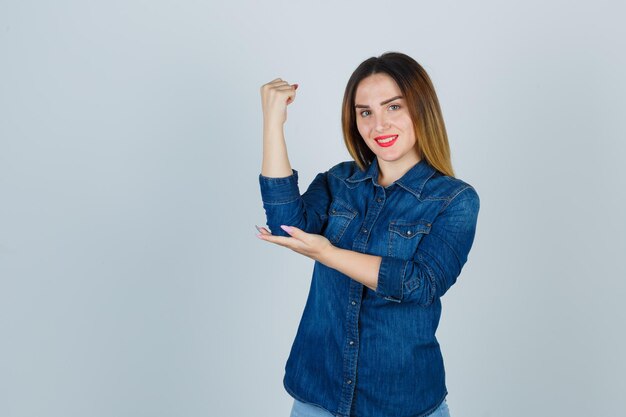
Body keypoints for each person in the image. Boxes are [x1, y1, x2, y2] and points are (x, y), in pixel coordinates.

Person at [256, 52, 480, 417]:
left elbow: (420, 284)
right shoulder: (339, 181)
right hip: (318, 396)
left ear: (422, 108)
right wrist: (272, 122)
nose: (379, 125)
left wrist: (327, 253)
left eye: (393, 107)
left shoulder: (455, 200)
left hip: (402, 402)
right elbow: (286, 223)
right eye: (365, 112)